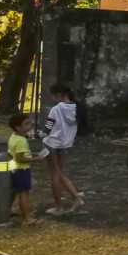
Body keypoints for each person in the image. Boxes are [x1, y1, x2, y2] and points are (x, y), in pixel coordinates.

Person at [42, 83, 86, 216]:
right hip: (65, 144)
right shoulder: (76, 108)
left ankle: (59, 206)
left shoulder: (56, 109)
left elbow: (47, 128)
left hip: (52, 143)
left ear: (59, 95)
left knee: (55, 175)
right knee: (60, 173)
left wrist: (33, 134)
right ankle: (76, 199)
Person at [7, 113, 45, 226]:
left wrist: (33, 153)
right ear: (18, 127)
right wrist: (35, 159)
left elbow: (19, 152)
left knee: (14, 191)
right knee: (24, 194)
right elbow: (20, 158)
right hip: (22, 170)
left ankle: (7, 209)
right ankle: (27, 218)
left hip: (14, 168)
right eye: (26, 124)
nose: (30, 125)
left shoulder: (14, 137)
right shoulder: (21, 141)